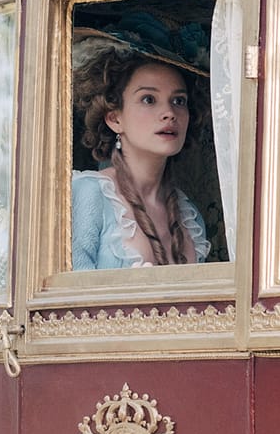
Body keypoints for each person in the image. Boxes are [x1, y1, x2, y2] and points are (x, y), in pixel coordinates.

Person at [72, 43, 212, 269]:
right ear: (114, 118)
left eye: (179, 101)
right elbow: (68, 297)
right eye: (149, 99)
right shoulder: (90, 193)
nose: (169, 114)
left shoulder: (189, 217)